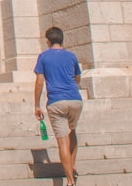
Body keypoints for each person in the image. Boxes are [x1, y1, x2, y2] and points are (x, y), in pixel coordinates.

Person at [33, 26, 84, 186]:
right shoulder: (71, 56)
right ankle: (72, 166)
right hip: (75, 99)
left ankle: (69, 181)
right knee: (72, 131)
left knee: (62, 141)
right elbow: (77, 78)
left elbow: (40, 82)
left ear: (48, 40)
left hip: (56, 101)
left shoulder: (43, 57)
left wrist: (36, 105)